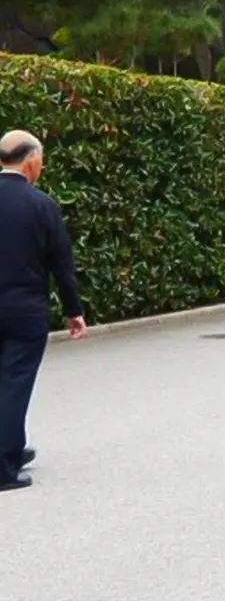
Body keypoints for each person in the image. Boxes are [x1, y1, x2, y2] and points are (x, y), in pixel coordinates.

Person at [0, 130, 87, 493]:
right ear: (32, 161)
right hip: (24, 310)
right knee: (14, 383)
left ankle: (14, 447)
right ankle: (5, 465)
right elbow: (61, 266)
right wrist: (73, 310)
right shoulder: (41, 205)